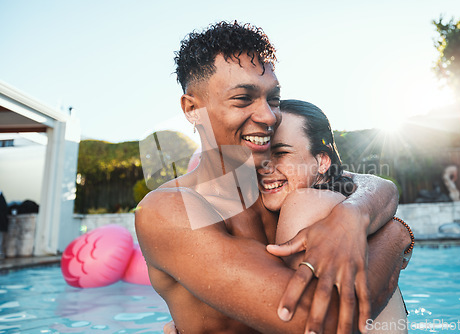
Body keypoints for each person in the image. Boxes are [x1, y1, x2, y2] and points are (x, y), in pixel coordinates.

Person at [135, 21, 411, 334]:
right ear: (193, 109)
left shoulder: (274, 182)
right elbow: (320, 324)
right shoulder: (168, 212)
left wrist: (353, 214)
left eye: (273, 99)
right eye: (243, 99)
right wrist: (396, 235)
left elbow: (375, 184)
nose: (269, 116)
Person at [258, 99, 411, 333]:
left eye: (281, 152)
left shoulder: (303, 202)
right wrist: (395, 235)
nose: (264, 167)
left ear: (322, 161)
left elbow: (297, 324)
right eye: (261, 154)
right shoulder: (341, 204)